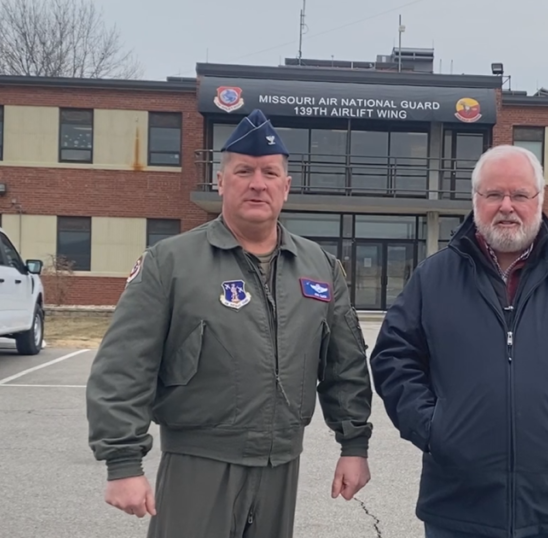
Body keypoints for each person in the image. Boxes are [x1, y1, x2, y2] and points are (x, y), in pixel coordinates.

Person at [85, 108, 374, 538]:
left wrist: (354, 446)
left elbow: (344, 365)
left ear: (286, 186)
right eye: (244, 171)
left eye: (270, 173)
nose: (258, 183)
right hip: (198, 463)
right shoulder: (171, 263)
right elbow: (124, 364)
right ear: (220, 181)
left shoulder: (320, 267)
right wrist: (122, 462)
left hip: (281, 464)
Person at [369, 144, 548, 538]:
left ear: (539, 200)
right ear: (475, 200)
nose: (506, 206)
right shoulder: (434, 278)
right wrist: (433, 428)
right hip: (457, 508)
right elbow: (394, 357)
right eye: (494, 194)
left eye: (519, 194)